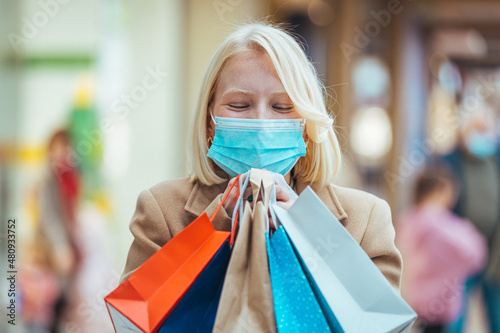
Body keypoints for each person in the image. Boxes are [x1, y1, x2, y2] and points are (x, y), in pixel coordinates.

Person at [119, 22, 403, 292]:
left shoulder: (365, 219)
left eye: (281, 106)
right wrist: (214, 230)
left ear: (306, 126)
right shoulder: (162, 211)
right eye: (240, 105)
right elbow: (136, 319)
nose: (262, 123)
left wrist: (311, 234)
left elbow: (381, 321)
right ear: (209, 120)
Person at [397, 165, 487, 333]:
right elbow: (475, 254)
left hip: (411, 299)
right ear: (441, 191)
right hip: (438, 304)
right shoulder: (442, 225)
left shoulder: (407, 220)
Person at [442, 107, 500, 333]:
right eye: (476, 129)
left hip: (494, 255)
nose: (480, 135)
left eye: (485, 130)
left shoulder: (495, 159)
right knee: (455, 317)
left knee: (496, 316)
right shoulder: (448, 162)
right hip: (460, 255)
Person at [35, 129, 83, 333]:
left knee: (63, 306)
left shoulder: (69, 177)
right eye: (58, 147)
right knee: (48, 306)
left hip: (67, 246)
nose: (62, 152)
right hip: (49, 251)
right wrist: (60, 247)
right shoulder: (47, 177)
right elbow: (48, 217)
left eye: (66, 147)